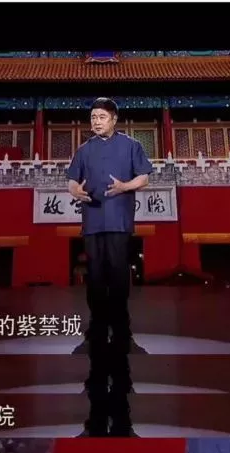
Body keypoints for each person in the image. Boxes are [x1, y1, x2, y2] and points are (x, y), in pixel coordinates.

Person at [66, 97, 153, 436]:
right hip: (92, 223)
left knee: (117, 277)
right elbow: (71, 181)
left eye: (102, 116)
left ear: (114, 118)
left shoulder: (131, 146)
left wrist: (124, 187)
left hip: (118, 222)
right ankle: (96, 331)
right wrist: (77, 191)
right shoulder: (84, 150)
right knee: (95, 279)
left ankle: (122, 331)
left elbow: (144, 177)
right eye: (93, 117)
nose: (96, 121)